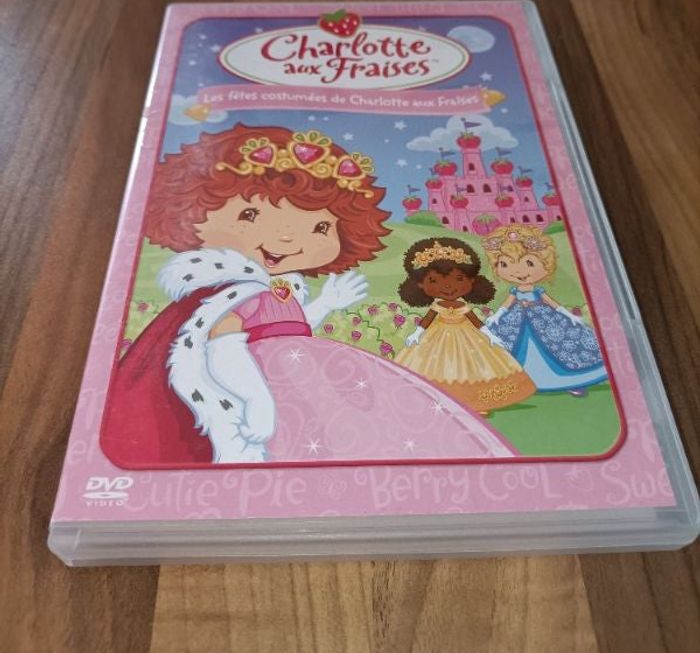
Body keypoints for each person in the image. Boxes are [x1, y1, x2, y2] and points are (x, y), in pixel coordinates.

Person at [101, 125, 517, 466]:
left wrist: (325, 305)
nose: (287, 238)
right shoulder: (230, 291)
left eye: (319, 228)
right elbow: (224, 345)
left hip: (301, 375)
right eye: (251, 214)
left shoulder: (275, 286)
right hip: (261, 384)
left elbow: (286, 326)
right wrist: (257, 401)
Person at [395, 238, 535, 413]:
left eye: (459, 278)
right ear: (420, 285)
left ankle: (477, 403)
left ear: (472, 280)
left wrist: (490, 336)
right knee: (435, 367)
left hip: (467, 337)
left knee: (473, 367)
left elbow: (476, 322)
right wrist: (417, 333)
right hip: (437, 337)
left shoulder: (463, 306)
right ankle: (435, 403)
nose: (448, 286)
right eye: (434, 281)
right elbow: (427, 320)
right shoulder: (436, 305)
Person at [482, 225, 608, 396]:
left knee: (557, 345)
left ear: (546, 264)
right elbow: (507, 303)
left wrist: (567, 314)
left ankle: (572, 381)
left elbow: (552, 303)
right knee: (507, 346)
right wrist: (498, 315)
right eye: (504, 264)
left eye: (529, 263)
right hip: (515, 319)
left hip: (543, 317)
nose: (518, 271)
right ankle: (519, 383)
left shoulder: (538, 290)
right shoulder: (514, 290)